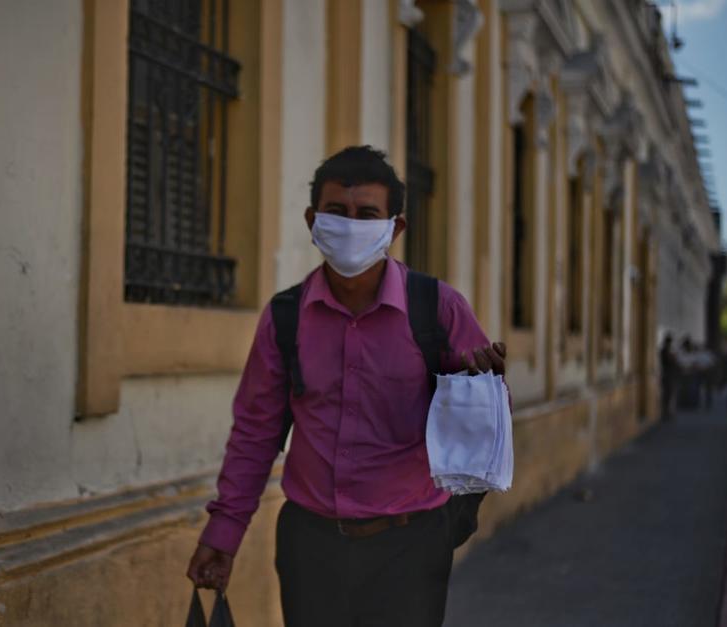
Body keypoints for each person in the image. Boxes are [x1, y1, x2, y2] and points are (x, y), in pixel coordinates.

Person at [185, 146, 506, 626]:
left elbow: (478, 439)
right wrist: (223, 531)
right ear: (313, 220)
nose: (351, 225)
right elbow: (255, 433)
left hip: (409, 547)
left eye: (367, 214)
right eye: (337, 213)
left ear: (394, 228)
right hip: (310, 548)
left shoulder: (438, 309)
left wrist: (477, 391)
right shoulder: (286, 317)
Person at [659, 333, 679, 420]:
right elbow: (671, 360)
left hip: (668, 374)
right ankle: (666, 412)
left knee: (668, 394)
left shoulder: (665, 350)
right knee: (668, 394)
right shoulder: (665, 350)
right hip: (668, 374)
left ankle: (667, 412)